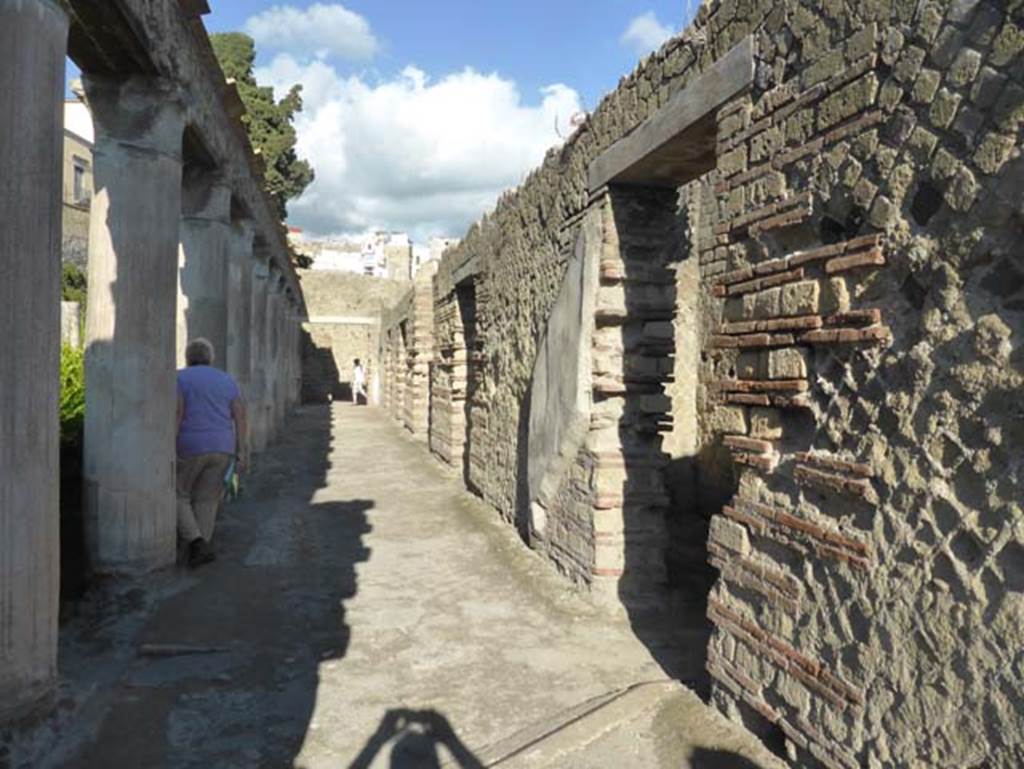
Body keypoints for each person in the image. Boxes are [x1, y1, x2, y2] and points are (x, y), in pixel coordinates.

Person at [176, 338, 249, 568]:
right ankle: (201, 548)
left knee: (178, 494)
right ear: (211, 359)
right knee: (207, 499)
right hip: (222, 446)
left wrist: (169, 444)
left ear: (188, 358)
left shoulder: (179, 378)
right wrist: (242, 448)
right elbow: (240, 415)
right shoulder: (227, 380)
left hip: (189, 445)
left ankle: (196, 541)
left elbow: (177, 413)